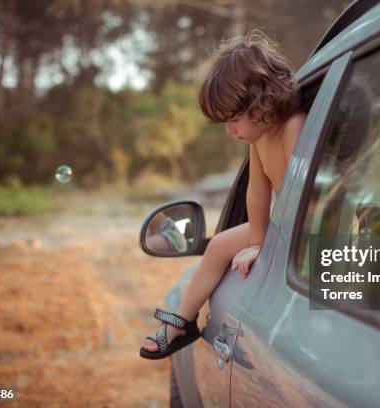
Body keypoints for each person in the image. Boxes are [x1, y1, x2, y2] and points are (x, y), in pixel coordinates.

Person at [140, 30, 306, 360]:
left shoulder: (293, 127)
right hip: (284, 226)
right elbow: (258, 193)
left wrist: (270, 242)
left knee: (224, 242)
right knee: (217, 245)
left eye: (233, 120)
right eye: (223, 123)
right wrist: (258, 242)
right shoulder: (258, 139)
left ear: (265, 101)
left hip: (306, 227)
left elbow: (302, 197)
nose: (229, 130)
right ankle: (181, 322)